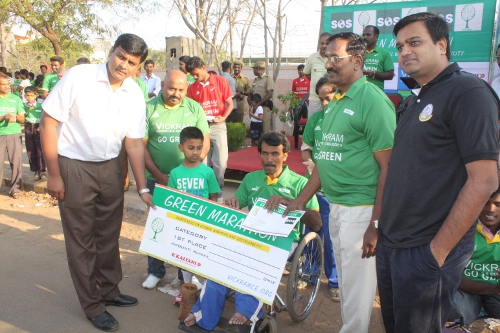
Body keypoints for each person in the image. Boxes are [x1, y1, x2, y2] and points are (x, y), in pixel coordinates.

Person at [377, 13, 500, 333]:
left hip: (427, 250)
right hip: (393, 245)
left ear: (442, 45)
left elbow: (485, 179)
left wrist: (438, 251)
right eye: (401, 45)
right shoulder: (414, 100)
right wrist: (381, 229)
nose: (404, 51)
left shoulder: (468, 92)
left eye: (415, 42)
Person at [40, 33, 154, 332]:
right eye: (120, 56)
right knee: (81, 239)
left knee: (108, 234)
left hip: (111, 168)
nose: (123, 65)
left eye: (131, 62)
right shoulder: (80, 76)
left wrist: (142, 187)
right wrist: (54, 173)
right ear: (111, 51)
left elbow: (134, 144)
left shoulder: (134, 93)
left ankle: (109, 291)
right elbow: (48, 123)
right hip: (73, 166)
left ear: (138, 66)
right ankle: (92, 305)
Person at [284, 32, 396, 333]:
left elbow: (389, 168)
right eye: (326, 57)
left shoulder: (373, 101)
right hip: (336, 206)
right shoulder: (334, 102)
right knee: (347, 280)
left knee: (358, 288)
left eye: (336, 58)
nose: (328, 63)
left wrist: (375, 223)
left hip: (361, 210)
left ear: (358, 61)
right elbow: (325, 161)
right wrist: (299, 200)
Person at [182, 131, 321, 331]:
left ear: (285, 155)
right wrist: (233, 204)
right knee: (220, 261)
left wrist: (290, 203)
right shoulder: (251, 179)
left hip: (283, 242)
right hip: (251, 236)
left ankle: (247, 311)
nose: (269, 159)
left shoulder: (300, 183)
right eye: (265, 153)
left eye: (275, 154)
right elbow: (238, 208)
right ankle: (204, 312)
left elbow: (316, 223)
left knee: (254, 262)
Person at [142, 69, 210, 289]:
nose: (176, 93)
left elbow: (204, 142)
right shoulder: (149, 108)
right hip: (157, 178)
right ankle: (155, 271)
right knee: (157, 225)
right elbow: (140, 147)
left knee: (188, 228)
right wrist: (160, 175)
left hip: (188, 181)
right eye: (171, 88)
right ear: (162, 85)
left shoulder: (194, 108)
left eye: (181, 89)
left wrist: (191, 170)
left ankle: (186, 275)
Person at [168, 126, 220, 297]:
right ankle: (187, 289)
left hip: (203, 223)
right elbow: (171, 199)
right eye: (191, 148)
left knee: (202, 256)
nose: (195, 152)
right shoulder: (175, 173)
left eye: (199, 148)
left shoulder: (207, 172)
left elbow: (213, 196)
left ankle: (206, 291)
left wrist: (210, 219)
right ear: (181, 148)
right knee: (184, 257)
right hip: (183, 223)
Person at [301, 76, 339, 301]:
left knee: (333, 238)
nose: (325, 103)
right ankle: (308, 273)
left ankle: (334, 281)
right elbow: (306, 149)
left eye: (329, 97)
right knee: (312, 231)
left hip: (336, 191)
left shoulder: (346, 118)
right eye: (321, 99)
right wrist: (311, 164)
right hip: (316, 191)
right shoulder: (315, 119)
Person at [448, 188, 500, 324]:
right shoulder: (462, 230)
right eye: (484, 203)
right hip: (465, 291)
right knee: (453, 306)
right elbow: (449, 275)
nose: (490, 209)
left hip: (496, 294)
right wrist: (491, 288)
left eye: (498, 204)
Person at [186, 56, 233, 202]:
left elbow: (230, 104)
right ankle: (204, 195)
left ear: (203, 67)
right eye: (192, 75)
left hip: (218, 126)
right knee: (202, 162)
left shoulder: (220, 81)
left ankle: (218, 194)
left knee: (221, 163)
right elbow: (192, 110)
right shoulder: (193, 88)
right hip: (201, 128)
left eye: (196, 74)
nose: (195, 77)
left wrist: (223, 117)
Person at [0, 74, 25, 199]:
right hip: (1, 134)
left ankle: (15, 189)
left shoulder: (15, 99)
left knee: (16, 162)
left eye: (8, 84)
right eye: (3, 84)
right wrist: (3, 117)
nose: (6, 87)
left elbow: (22, 117)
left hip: (14, 134)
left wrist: (16, 118)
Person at [304, 32, 331, 116]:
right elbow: (307, 74)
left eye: (327, 43)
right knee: (313, 124)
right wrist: (317, 85)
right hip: (315, 99)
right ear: (319, 43)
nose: (324, 46)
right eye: (322, 43)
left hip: (331, 99)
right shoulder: (312, 57)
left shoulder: (335, 58)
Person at [362, 25, 394, 91]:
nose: (365, 37)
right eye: (363, 35)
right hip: (359, 91)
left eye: (368, 35)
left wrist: (373, 74)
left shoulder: (384, 53)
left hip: (376, 92)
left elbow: (390, 75)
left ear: (376, 37)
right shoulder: (358, 53)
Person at [23, 86, 46, 181]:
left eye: (31, 95)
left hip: (38, 128)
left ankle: (43, 171)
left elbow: (45, 117)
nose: (29, 97)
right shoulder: (24, 106)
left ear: (36, 95)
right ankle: (35, 170)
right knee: (31, 149)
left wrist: (41, 126)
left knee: (40, 149)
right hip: (29, 127)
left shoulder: (41, 105)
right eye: (27, 95)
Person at [250, 61, 273, 134]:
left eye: (254, 69)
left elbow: (269, 94)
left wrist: (258, 104)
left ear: (258, 69)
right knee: (255, 131)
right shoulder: (256, 80)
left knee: (265, 130)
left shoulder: (268, 79)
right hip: (255, 109)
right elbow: (252, 92)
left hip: (264, 108)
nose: (253, 71)